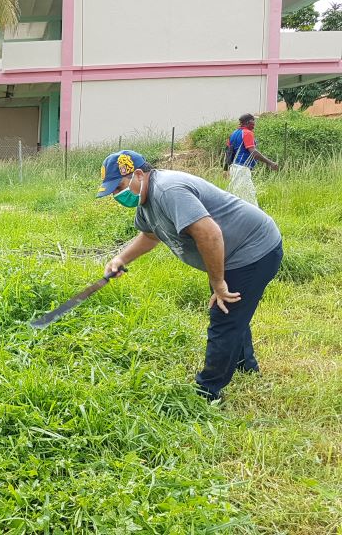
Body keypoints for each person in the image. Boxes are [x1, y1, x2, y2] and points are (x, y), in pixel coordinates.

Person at [97, 150, 283, 402]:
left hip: (255, 249)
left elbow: (210, 235)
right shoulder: (146, 200)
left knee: (224, 313)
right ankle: (245, 365)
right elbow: (151, 235)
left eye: (119, 187)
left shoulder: (168, 191)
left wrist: (218, 282)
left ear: (138, 174)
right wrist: (120, 259)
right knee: (234, 309)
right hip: (230, 253)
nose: (118, 196)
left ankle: (207, 392)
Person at [224, 113, 278, 206]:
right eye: (253, 121)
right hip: (242, 169)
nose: (254, 124)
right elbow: (254, 152)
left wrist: (225, 169)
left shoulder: (233, 134)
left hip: (234, 168)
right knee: (249, 197)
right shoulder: (247, 133)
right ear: (248, 122)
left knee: (237, 195)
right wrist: (270, 163)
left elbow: (228, 153)